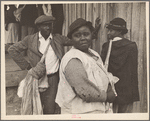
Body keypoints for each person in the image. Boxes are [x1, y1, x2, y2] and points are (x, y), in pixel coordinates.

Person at [8, 15, 73, 114]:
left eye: (50, 25)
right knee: (35, 107)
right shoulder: (30, 39)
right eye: (45, 25)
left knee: (50, 108)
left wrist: (93, 33)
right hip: (36, 79)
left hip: (53, 78)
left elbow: (75, 41)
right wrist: (27, 66)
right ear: (39, 27)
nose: (48, 27)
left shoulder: (58, 38)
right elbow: (12, 50)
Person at [55, 18, 118, 114]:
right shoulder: (72, 58)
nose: (83, 38)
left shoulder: (94, 54)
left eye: (86, 34)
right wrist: (107, 96)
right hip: (79, 112)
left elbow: (103, 74)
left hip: (97, 110)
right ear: (71, 39)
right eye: (77, 35)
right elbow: (84, 91)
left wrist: (109, 87)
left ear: (92, 35)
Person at [101, 17, 140, 113]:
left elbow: (101, 68)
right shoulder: (132, 46)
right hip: (127, 91)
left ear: (119, 31)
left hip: (112, 91)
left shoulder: (106, 46)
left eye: (111, 30)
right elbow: (133, 71)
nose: (108, 33)